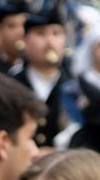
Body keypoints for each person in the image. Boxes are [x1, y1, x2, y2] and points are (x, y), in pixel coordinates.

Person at [9, 12, 68, 148]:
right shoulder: (11, 85)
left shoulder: (73, 86)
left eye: (56, 33)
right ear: (25, 41)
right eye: (40, 34)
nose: (49, 42)